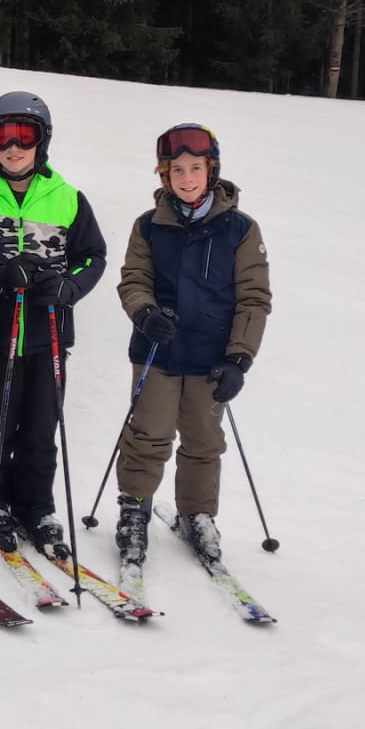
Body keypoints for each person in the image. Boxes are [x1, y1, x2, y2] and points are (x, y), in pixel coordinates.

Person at [0, 91, 106, 560]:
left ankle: (36, 505)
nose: (13, 148)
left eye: (25, 136)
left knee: (41, 424)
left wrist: (68, 288)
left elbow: (93, 257)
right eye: (3, 136)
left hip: (48, 334)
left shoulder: (68, 199)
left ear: (43, 141)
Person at [110, 124, 271, 570]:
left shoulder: (240, 229)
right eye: (176, 170)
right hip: (157, 351)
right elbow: (133, 280)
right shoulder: (149, 226)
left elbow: (254, 298)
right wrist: (145, 314)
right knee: (148, 434)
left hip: (212, 357)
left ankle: (197, 514)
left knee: (204, 440)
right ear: (164, 175)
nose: (186, 178)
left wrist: (239, 358)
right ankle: (134, 508)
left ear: (210, 170)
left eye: (195, 168)